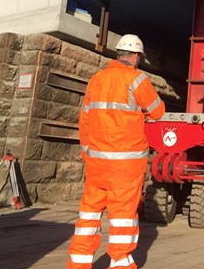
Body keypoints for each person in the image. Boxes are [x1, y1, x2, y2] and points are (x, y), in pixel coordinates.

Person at [68, 34, 165, 269]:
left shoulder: (96, 79)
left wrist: (87, 155)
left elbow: (85, 121)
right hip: (125, 165)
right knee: (122, 216)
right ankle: (120, 264)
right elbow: (158, 111)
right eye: (139, 58)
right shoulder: (137, 80)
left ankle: (78, 264)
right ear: (135, 56)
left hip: (97, 163)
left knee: (89, 215)